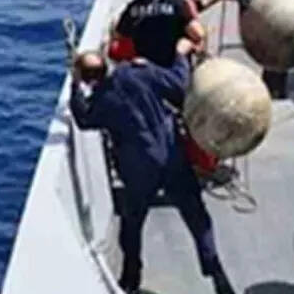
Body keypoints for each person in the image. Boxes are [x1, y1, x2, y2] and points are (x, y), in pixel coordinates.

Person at [70, 52, 235, 294]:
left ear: (87, 79)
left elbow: (83, 118)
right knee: (197, 217)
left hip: (138, 170)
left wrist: (75, 86)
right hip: (171, 156)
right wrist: (179, 57)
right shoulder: (138, 74)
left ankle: (131, 278)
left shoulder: (101, 102)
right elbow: (178, 84)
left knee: (132, 224)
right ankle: (216, 271)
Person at [112, 0, 207, 90]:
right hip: (174, 75)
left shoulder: (134, 8)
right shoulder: (177, 3)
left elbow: (118, 35)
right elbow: (198, 34)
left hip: (144, 76)